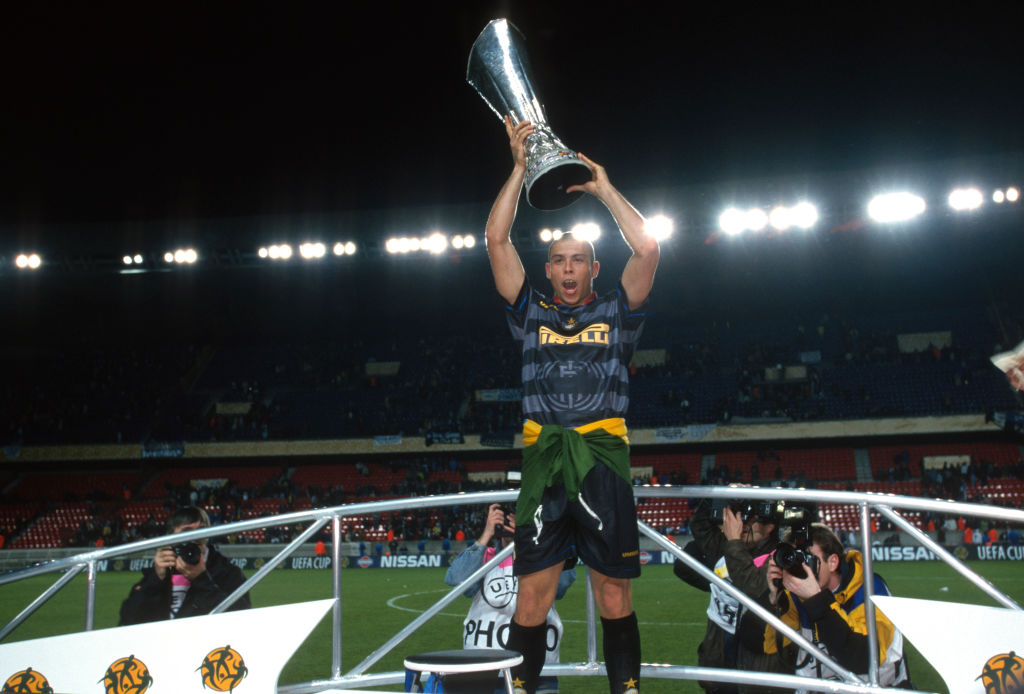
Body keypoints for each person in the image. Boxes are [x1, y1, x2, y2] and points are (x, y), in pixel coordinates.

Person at [485, 116, 659, 694]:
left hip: (603, 459)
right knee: (531, 598)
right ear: (548, 269)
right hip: (543, 464)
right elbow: (495, 240)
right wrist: (518, 168)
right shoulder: (529, 313)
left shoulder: (616, 312)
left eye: (577, 259)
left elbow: (649, 246)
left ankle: (625, 691)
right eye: (558, 259)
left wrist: (605, 188)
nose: (566, 268)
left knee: (613, 593)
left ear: (593, 269)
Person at [441, 504, 576, 694]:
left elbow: (562, 584)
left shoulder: (543, 557)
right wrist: (486, 534)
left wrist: (530, 540)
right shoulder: (485, 556)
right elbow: (456, 579)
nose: (509, 525)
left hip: (537, 667)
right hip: (485, 668)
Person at [763, 523, 912, 692]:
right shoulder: (796, 593)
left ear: (833, 562)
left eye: (807, 558)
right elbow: (764, 646)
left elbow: (863, 659)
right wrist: (774, 599)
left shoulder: (870, 589)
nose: (800, 566)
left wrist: (816, 600)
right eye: (795, 558)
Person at [673, 499, 790, 693]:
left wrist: (734, 542)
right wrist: (724, 497)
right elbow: (699, 525)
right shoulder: (725, 545)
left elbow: (752, 589)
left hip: (755, 661)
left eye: (750, 521)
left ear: (769, 527)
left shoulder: (777, 558)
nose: (742, 525)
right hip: (717, 652)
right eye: (741, 518)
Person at [119, 506, 250, 624]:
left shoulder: (228, 572)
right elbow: (128, 620)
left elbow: (240, 621)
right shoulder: (161, 571)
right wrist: (155, 578)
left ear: (209, 534)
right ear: (171, 537)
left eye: (202, 530)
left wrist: (201, 579)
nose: (195, 537)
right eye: (186, 531)